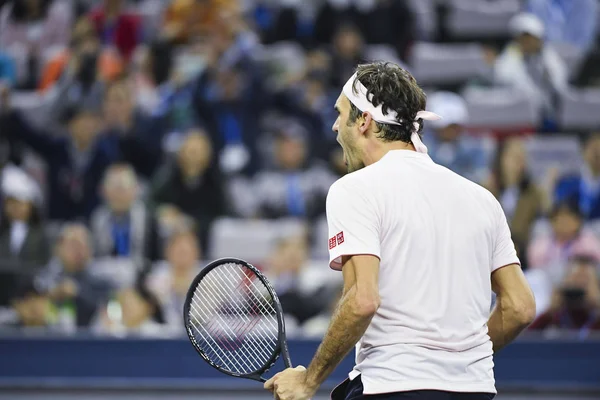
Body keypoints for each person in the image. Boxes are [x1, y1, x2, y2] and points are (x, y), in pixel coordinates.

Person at [264, 62, 536, 400]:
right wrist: (462, 359)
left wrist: (309, 380)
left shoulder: (354, 189)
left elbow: (362, 300)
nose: (335, 126)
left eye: (340, 113)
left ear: (363, 120)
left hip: (394, 388)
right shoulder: (482, 199)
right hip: (474, 390)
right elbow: (520, 307)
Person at [493, 13, 568, 130]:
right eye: (524, 37)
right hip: (517, 114)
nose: (528, 42)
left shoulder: (549, 56)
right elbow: (501, 77)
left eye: (532, 38)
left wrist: (544, 68)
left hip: (546, 115)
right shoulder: (512, 52)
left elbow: (560, 85)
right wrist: (517, 53)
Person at [554, 133, 600, 221]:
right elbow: (560, 209)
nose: (598, 154)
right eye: (594, 149)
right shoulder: (567, 182)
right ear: (583, 151)